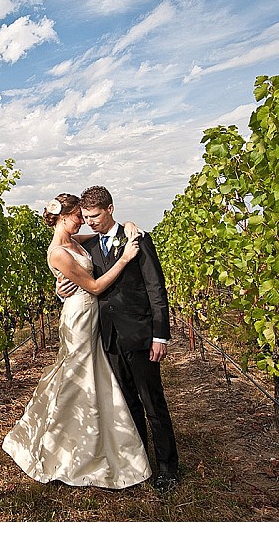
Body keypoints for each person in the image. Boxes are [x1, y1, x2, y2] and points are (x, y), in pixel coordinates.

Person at [2, 193, 151, 489]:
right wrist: (124, 258)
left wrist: (130, 224)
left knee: (92, 373)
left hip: (91, 314)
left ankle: (101, 439)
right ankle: (63, 446)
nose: (82, 220)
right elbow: (94, 286)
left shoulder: (75, 241)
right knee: (76, 375)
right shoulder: (58, 251)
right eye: (77, 216)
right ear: (61, 216)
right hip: (79, 317)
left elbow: (106, 233)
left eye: (84, 216)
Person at [58, 185, 180, 494]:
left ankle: (168, 468)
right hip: (107, 337)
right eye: (85, 217)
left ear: (110, 209)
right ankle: (138, 464)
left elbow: (156, 289)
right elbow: (76, 271)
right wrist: (60, 292)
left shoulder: (136, 240)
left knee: (153, 404)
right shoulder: (90, 246)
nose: (90, 222)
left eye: (95, 216)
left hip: (140, 335)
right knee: (127, 405)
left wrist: (159, 335)